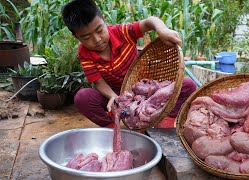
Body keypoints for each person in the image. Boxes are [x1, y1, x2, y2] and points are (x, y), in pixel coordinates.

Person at [62, 0, 197, 128]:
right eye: (86, 37)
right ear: (76, 37)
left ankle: (164, 120)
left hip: (145, 88)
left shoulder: (122, 32)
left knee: (188, 85)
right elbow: (98, 82)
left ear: (104, 20)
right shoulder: (84, 53)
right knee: (82, 98)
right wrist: (113, 97)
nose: (97, 39)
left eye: (100, 30)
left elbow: (149, 22)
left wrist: (162, 30)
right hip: (116, 94)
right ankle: (113, 127)